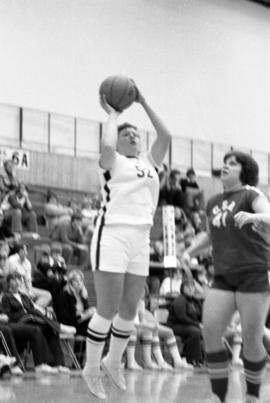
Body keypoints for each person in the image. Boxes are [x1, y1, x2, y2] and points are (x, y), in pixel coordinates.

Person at [83, 83, 171, 400]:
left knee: (130, 309)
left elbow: (166, 137)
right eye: (126, 134)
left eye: (136, 134)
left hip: (141, 238)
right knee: (106, 307)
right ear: (117, 141)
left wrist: (144, 102)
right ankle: (91, 368)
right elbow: (107, 145)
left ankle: (111, 361)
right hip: (113, 234)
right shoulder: (111, 162)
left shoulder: (149, 162)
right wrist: (112, 115)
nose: (134, 136)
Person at [182, 151, 270, 403]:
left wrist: (255, 216)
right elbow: (209, 236)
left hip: (253, 274)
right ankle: (218, 395)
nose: (226, 166)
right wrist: (188, 251)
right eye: (225, 163)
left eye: (233, 164)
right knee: (210, 332)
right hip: (223, 276)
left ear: (245, 171)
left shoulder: (252, 195)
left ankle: (252, 396)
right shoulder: (213, 201)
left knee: (252, 339)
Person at [166, 280, 204, 368]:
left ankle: (189, 356)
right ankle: (192, 360)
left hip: (189, 325)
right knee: (195, 331)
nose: (190, 288)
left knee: (203, 331)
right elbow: (181, 317)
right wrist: (197, 324)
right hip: (175, 325)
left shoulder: (196, 301)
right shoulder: (179, 300)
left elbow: (201, 316)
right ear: (182, 289)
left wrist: (203, 324)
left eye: (192, 286)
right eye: (187, 287)